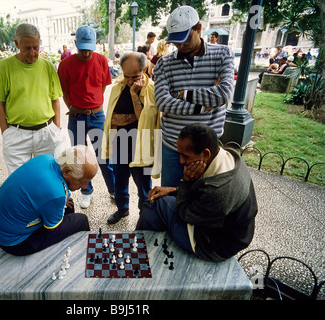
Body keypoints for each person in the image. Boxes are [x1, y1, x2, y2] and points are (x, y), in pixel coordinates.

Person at [136, 124, 258, 262]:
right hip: (227, 231)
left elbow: (185, 213)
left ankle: (136, 252)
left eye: (185, 156)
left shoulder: (217, 190)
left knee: (153, 204)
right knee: (159, 201)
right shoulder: (230, 156)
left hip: (212, 246)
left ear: (206, 154)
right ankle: (149, 247)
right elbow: (201, 195)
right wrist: (174, 190)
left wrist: (186, 182)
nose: (181, 161)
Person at [153, 6, 235, 187]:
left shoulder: (222, 54)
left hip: (207, 149)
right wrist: (204, 106)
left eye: (185, 39)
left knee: (205, 202)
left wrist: (183, 95)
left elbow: (223, 94)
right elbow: (163, 102)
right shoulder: (164, 64)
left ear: (198, 28)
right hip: (173, 147)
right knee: (170, 197)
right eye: (176, 41)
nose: (180, 46)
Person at [0, 145, 98, 256]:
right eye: (82, 181)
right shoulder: (55, 193)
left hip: (4, 227)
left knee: (69, 206)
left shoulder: (47, 158)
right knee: (81, 220)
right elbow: (52, 228)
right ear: (67, 171)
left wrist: (59, 203)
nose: (85, 186)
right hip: (15, 242)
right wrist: (58, 202)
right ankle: (86, 257)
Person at [0, 23, 63, 175]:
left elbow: (55, 100)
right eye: (27, 48)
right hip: (16, 135)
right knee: (19, 181)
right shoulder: (5, 67)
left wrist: (56, 128)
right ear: (17, 44)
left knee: (48, 177)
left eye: (36, 47)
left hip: (47, 132)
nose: (32, 52)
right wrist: (6, 133)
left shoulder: (47, 67)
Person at [57, 25, 115, 209]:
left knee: (104, 156)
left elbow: (103, 87)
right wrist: (73, 108)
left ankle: (114, 190)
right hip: (76, 117)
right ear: (75, 44)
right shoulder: (65, 65)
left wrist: (93, 104)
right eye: (82, 49)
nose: (86, 53)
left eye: (89, 49)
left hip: (97, 115)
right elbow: (65, 92)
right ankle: (86, 191)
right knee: (79, 159)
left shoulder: (102, 61)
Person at [101, 52, 160, 224]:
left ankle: (145, 214)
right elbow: (111, 118)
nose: (130, 81)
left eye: (135, 76)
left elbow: (144, 119)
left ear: (145, 69)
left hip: (141, 145)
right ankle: (122, 209)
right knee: (119, 178)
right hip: (121, 142)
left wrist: (135, 94)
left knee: (143, 183)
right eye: (126, 76)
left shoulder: (151, 90)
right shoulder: (118, 86)